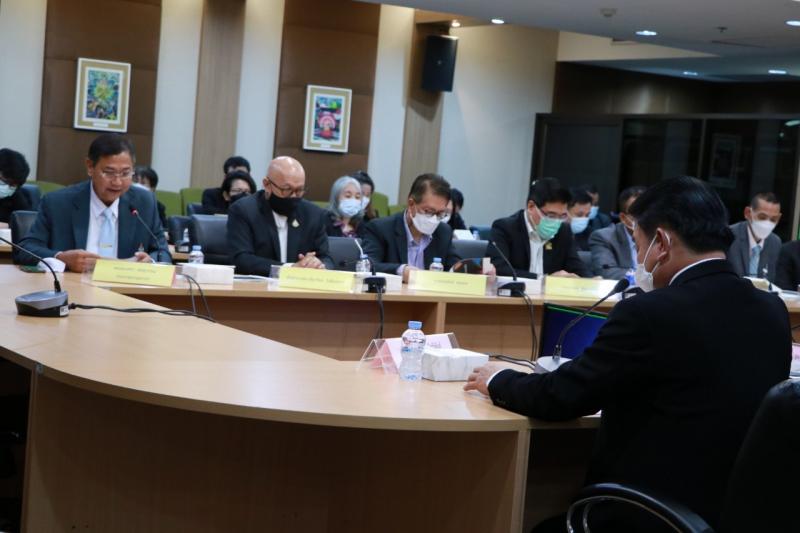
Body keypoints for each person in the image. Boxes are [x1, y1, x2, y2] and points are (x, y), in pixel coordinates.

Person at [466, 176, 790, 532]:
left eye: (638, 244)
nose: (638, 259)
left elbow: (562, 397)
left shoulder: (650, 312)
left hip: (645, 513)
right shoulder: (773, 311)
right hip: (731, 513)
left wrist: (497, 379)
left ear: (661, 243)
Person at [18, 134, 170, 271]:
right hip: (73, 287)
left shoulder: (144, 203)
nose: (117, 182)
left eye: (125, 173)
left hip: (125, 288)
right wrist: (62, 258)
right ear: (90, 167)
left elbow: (162, 252)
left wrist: (150, 261)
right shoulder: (58, 203)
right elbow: (25, 249)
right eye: (109, 172)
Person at [227, 156, 331, 275]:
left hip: (301, 285)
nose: (293, 196)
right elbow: (241, 259)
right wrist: (289, 269)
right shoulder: (244, 210)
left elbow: (327, 259)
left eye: (299, 190)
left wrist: (317, 264)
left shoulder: (313, 214)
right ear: (267, 185)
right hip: (260, 285)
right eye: (287, 189)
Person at [362, 173, 460, 282]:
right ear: (411, 204)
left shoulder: (443, 232)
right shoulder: (380, 228)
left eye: (440, 214)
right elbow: (367, 266)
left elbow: (456, 269)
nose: (434, 219)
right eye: (428, 211)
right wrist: (401, 271)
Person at [489, 178, 590, 279]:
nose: (556, 221)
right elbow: (500, 269)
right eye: (551, 215)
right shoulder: (505, 228)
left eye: (562, 216)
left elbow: (578, 268)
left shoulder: (563, 230)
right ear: (531, 206)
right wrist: (545, 279)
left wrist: (592, 280)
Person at [589, 186, 647, 279]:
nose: (646, 218)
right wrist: (647, 278)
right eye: (638, 213)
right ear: (623, 218)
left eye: (649, 212)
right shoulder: (604, 237)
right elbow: (607, 273)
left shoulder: (662, 237)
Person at [727, 192, 781, 282]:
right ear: (748, 213)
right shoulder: (729, 236)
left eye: (773, 219)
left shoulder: (775, 243)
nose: (767, 223)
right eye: (762, 217)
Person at [0, 148, 33, 224]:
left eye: (12, 185)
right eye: (4, 181)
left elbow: (27, 224)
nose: (7, 187)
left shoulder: (20, 197)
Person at [567, 187, 593, 251]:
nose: (584, 219)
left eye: (587, 215)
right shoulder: (551, 234)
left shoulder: (590, 234)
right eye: (579, 215)